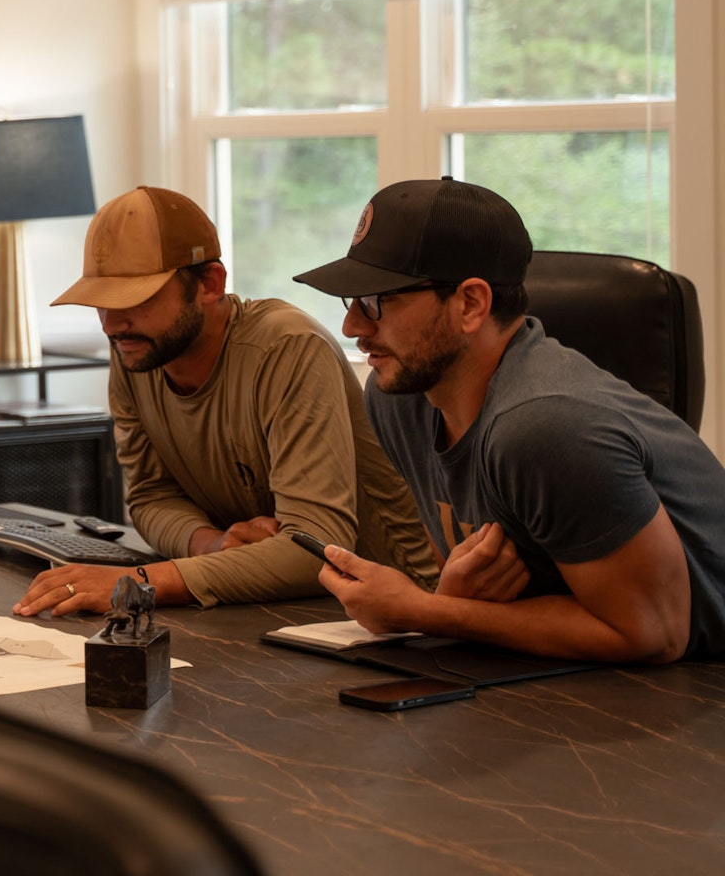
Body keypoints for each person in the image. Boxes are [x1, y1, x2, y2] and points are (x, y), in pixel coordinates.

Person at [293, 178, 725, 662]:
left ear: (471, 304)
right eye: (349, 302)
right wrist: (449, 598)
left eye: (376, 301)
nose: (352, 326)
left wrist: (424, 611)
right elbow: (475, 580)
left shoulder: (546, 427)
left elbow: (654, 634)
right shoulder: (401, 398)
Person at [15, 186, 437, 620]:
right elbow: (149, 496)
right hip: (258, 611)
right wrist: (210, 543)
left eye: (135, 299)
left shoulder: (287, 348)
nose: (112, 324)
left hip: (388, 624)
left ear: (210, 284)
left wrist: (139, 582)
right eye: (100, 303)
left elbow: (315, 548)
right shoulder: (136, 347)